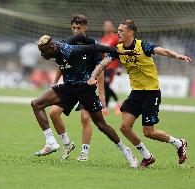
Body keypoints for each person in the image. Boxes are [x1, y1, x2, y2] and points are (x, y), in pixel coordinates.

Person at [88, 19, 191, 168]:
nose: (118, 33)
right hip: (136, 93)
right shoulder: (118, 49)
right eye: (118, 30)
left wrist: (177, 56)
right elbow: (103, 63)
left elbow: (163, 51)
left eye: (121, 30)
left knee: (149, 132)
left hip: (151, 92)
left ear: (130, 32)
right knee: (124, 127)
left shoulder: (142, 46)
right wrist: (93, 76)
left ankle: (179, 143)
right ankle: (147, 156)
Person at [31, 34, 138, 168]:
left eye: (44, 51)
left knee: (101, 125)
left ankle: (125, 150)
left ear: (51, 47)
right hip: (68, 88)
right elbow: (78, 37)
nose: (42, 55)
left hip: (85, 89)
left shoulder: (72, 50)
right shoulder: (60, 46)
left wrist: (118, 51)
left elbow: (94, 47)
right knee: (36, 104)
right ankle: (51, 142)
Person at [49, 14, 105, 161]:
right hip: (69, 86)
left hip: (86, 87)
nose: (76, 31)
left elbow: (101, 68)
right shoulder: (67, 44)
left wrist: (101, 92)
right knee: (54, 112)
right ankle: (67, 144)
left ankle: (84, 153)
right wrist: (55, 81)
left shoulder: (93, 45)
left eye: (79, 28)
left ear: (85, 28)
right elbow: (62, 65)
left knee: (85, 117)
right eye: (73, 28)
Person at [101, 20, 121, 115]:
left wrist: (119, 67)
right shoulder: (104, 38)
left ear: (112, 27)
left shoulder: (116, 37)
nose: (106, 27)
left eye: (108, 26)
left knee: (106, 85)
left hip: (112, 65)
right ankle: (109, 106)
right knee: (105, 86)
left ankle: (112, 105)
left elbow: (120, 52)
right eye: (105, 26)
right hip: (104, 65)